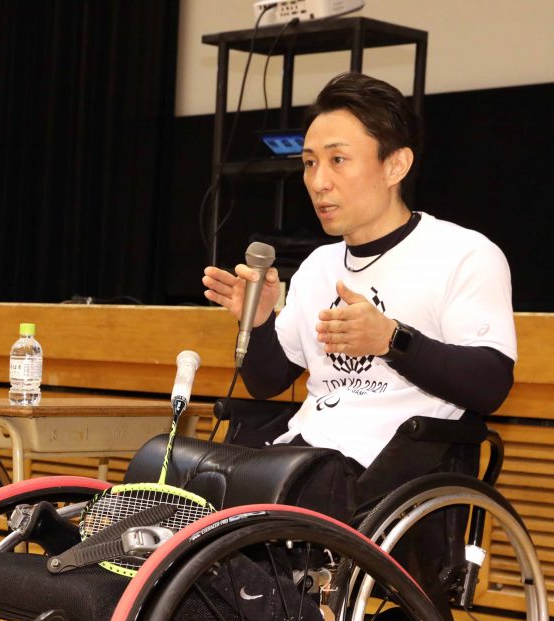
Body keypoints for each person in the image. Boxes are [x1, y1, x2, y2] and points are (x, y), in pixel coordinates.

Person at [202, 71, 516, 502]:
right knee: (175, 476)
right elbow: (269, 381)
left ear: (395, 165)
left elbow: (490, 385)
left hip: (385, 474)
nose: (318, 182)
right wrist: (257, 323)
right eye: (309, 162)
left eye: (338, 160)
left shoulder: (463, 254)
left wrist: (391, 340)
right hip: (302, 460)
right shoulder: (319, 265)